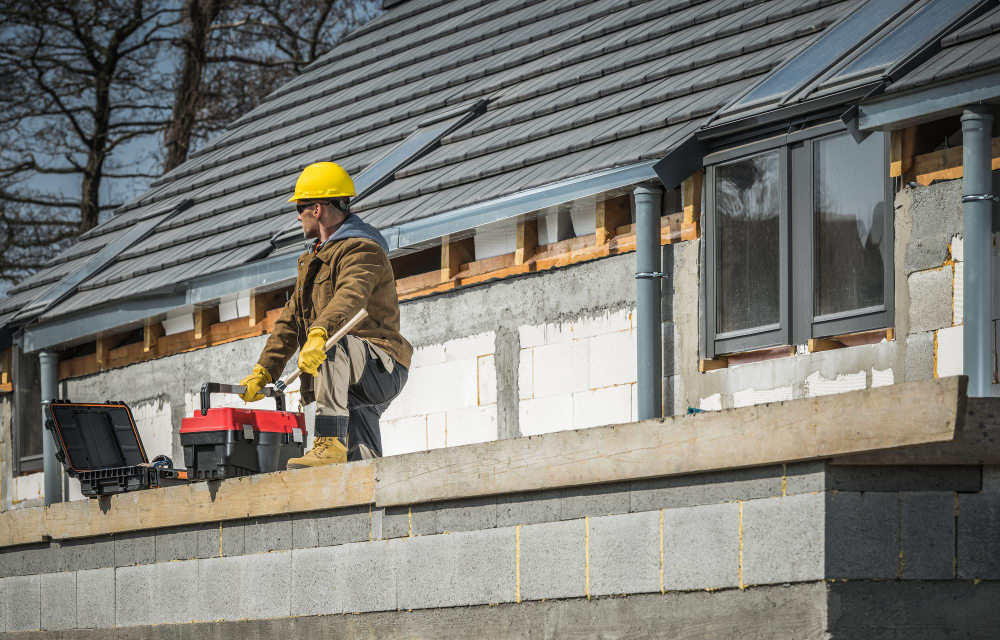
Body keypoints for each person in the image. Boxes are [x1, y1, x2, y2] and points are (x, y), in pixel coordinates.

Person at [237, 162, 412, 467]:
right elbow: (290, 321)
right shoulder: (313, 259)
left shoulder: (363, 249)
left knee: (332, 344)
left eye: (300, 208)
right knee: (363, 463)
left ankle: (329, 442)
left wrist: (319, 333)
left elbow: (350, 294)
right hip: (352, 381)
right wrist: (264, 370)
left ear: (316, 210)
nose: (297, 215)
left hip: (380, 365)